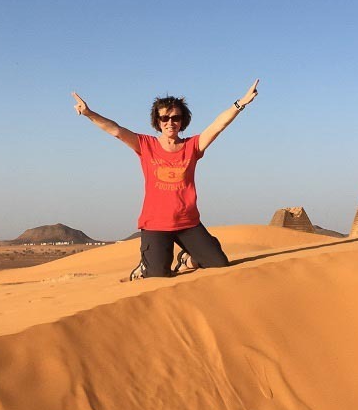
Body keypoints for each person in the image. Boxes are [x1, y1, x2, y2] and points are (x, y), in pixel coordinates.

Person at [72, 80, 259, 277]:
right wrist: (89, 113)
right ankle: (146, 265)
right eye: (164, 118)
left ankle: (188, 258)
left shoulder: (192, 146)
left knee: (219, 264)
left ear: (182, 120)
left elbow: (218, 125)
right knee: (158, 275)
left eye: (175, 117)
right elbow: (116, 130)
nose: (170, 122)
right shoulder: (146, 144)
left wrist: (241, 103)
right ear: (158, 121)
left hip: (188, 222)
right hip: (156, 224)